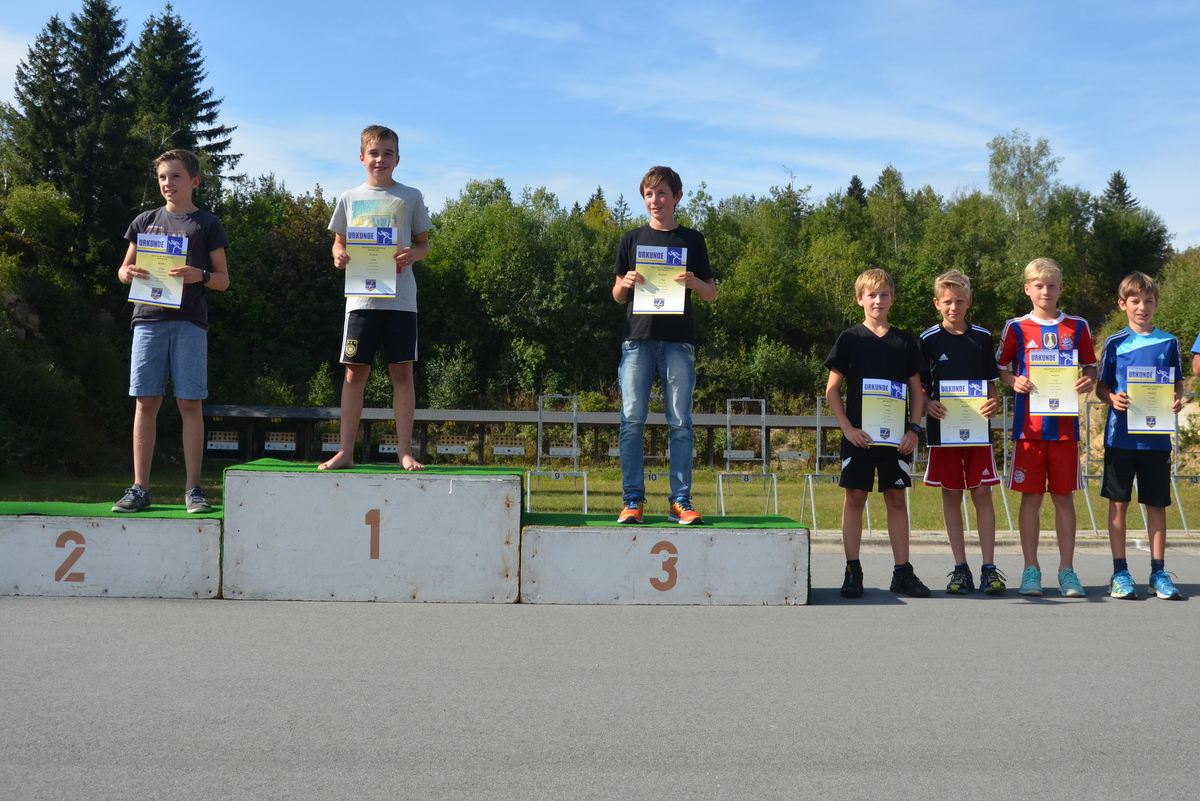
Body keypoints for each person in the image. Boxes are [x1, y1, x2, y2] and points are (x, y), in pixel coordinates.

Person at [113, 149, 230, 514]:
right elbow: (123, 270)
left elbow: (223, 280)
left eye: (176, 176)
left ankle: (193, 489)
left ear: (194, 181)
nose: (168, 183)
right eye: (163, 177)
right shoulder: (144, 221)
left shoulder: (208, 224)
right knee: (145, 402)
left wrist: (201, 275)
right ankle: (140, 489)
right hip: (147, 321)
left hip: (190, 323)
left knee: (189, 403)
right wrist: (128, 273)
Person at [319, 125, 431, 472]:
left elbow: (424, 244)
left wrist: (413, 255)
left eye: (387, 153)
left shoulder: (410, 196)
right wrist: (338, 255)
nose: (380, 159)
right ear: (361, 157)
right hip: (361, 302)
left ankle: (404, 452)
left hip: (401, 301)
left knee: (402, 372)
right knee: (355, 374)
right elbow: (338, 242)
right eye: (374, 153)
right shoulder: (349, 197)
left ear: (397, 159)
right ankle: (345, 452)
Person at [612, 166, 716, 524]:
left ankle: (680, 501)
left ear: (677, 197)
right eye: (648, 194)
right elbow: (616, 295)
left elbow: (711, 294)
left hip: (678, 344)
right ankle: (633, 501)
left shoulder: (692, 240)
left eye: (661, 193)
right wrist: (625, 283)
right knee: (631, 421)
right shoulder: (631, 239)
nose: (655, 200)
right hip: (637, 341)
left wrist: (694, 283)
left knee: (681, 423)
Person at [825, 268, 929, 598]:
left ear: (892, 299)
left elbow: (917, 391)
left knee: (896, 499)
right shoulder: (850, 338)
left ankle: (902, 572)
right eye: (871, 294)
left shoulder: (905, 341)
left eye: (884, 294)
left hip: (896, 440)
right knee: (855, 498)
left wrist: (914, 429)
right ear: (860, 299)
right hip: (859, 438)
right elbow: (832, 390)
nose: (878, 300)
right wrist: (847, 428)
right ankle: (852, 570)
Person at [996, 257, 1096, 597]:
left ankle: (1067, 571)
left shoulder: (1077, 326)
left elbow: (1090, 367)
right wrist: (1014, 381)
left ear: (1061, 288)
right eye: (1039, 286)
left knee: (1064, 498)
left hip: (1065, 430)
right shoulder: (1015, 327)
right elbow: (1000, 367)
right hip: (1029, 431)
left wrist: (1087, 380)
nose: (1045, 291)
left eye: (1052, 285)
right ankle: (1031, 570)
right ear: (1028, 289)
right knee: (1031, 498)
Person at [1096, 272, 1185, 599]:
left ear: (1156, 303)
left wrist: (1176, 399)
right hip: (1120, 438)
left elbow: (1177, 383)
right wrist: (1112, 398)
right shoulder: (1115, 342)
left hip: (1156, 439)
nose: (1142, 307)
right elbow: (1101, 387)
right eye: (1135, 301)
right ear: (1123, 304)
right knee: (1119, 503)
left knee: (1156, 504)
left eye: (1148, 301)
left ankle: (1158, 573)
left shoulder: (1169, 342)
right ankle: (1120, 572)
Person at [919, 270, 1005, 594]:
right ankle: (960, 568)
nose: (953, 307)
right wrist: (928, 403)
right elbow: (920, 387)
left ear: (969, 301)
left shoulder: (982, 337)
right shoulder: (928, 339)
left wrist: (994, 402)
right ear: (937, 303)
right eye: (947, 302)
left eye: (959, 301)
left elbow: (991, 384)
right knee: (951, 494)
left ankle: (989, 568)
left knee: (982, 494)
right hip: (943, 431)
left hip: (977, 429)